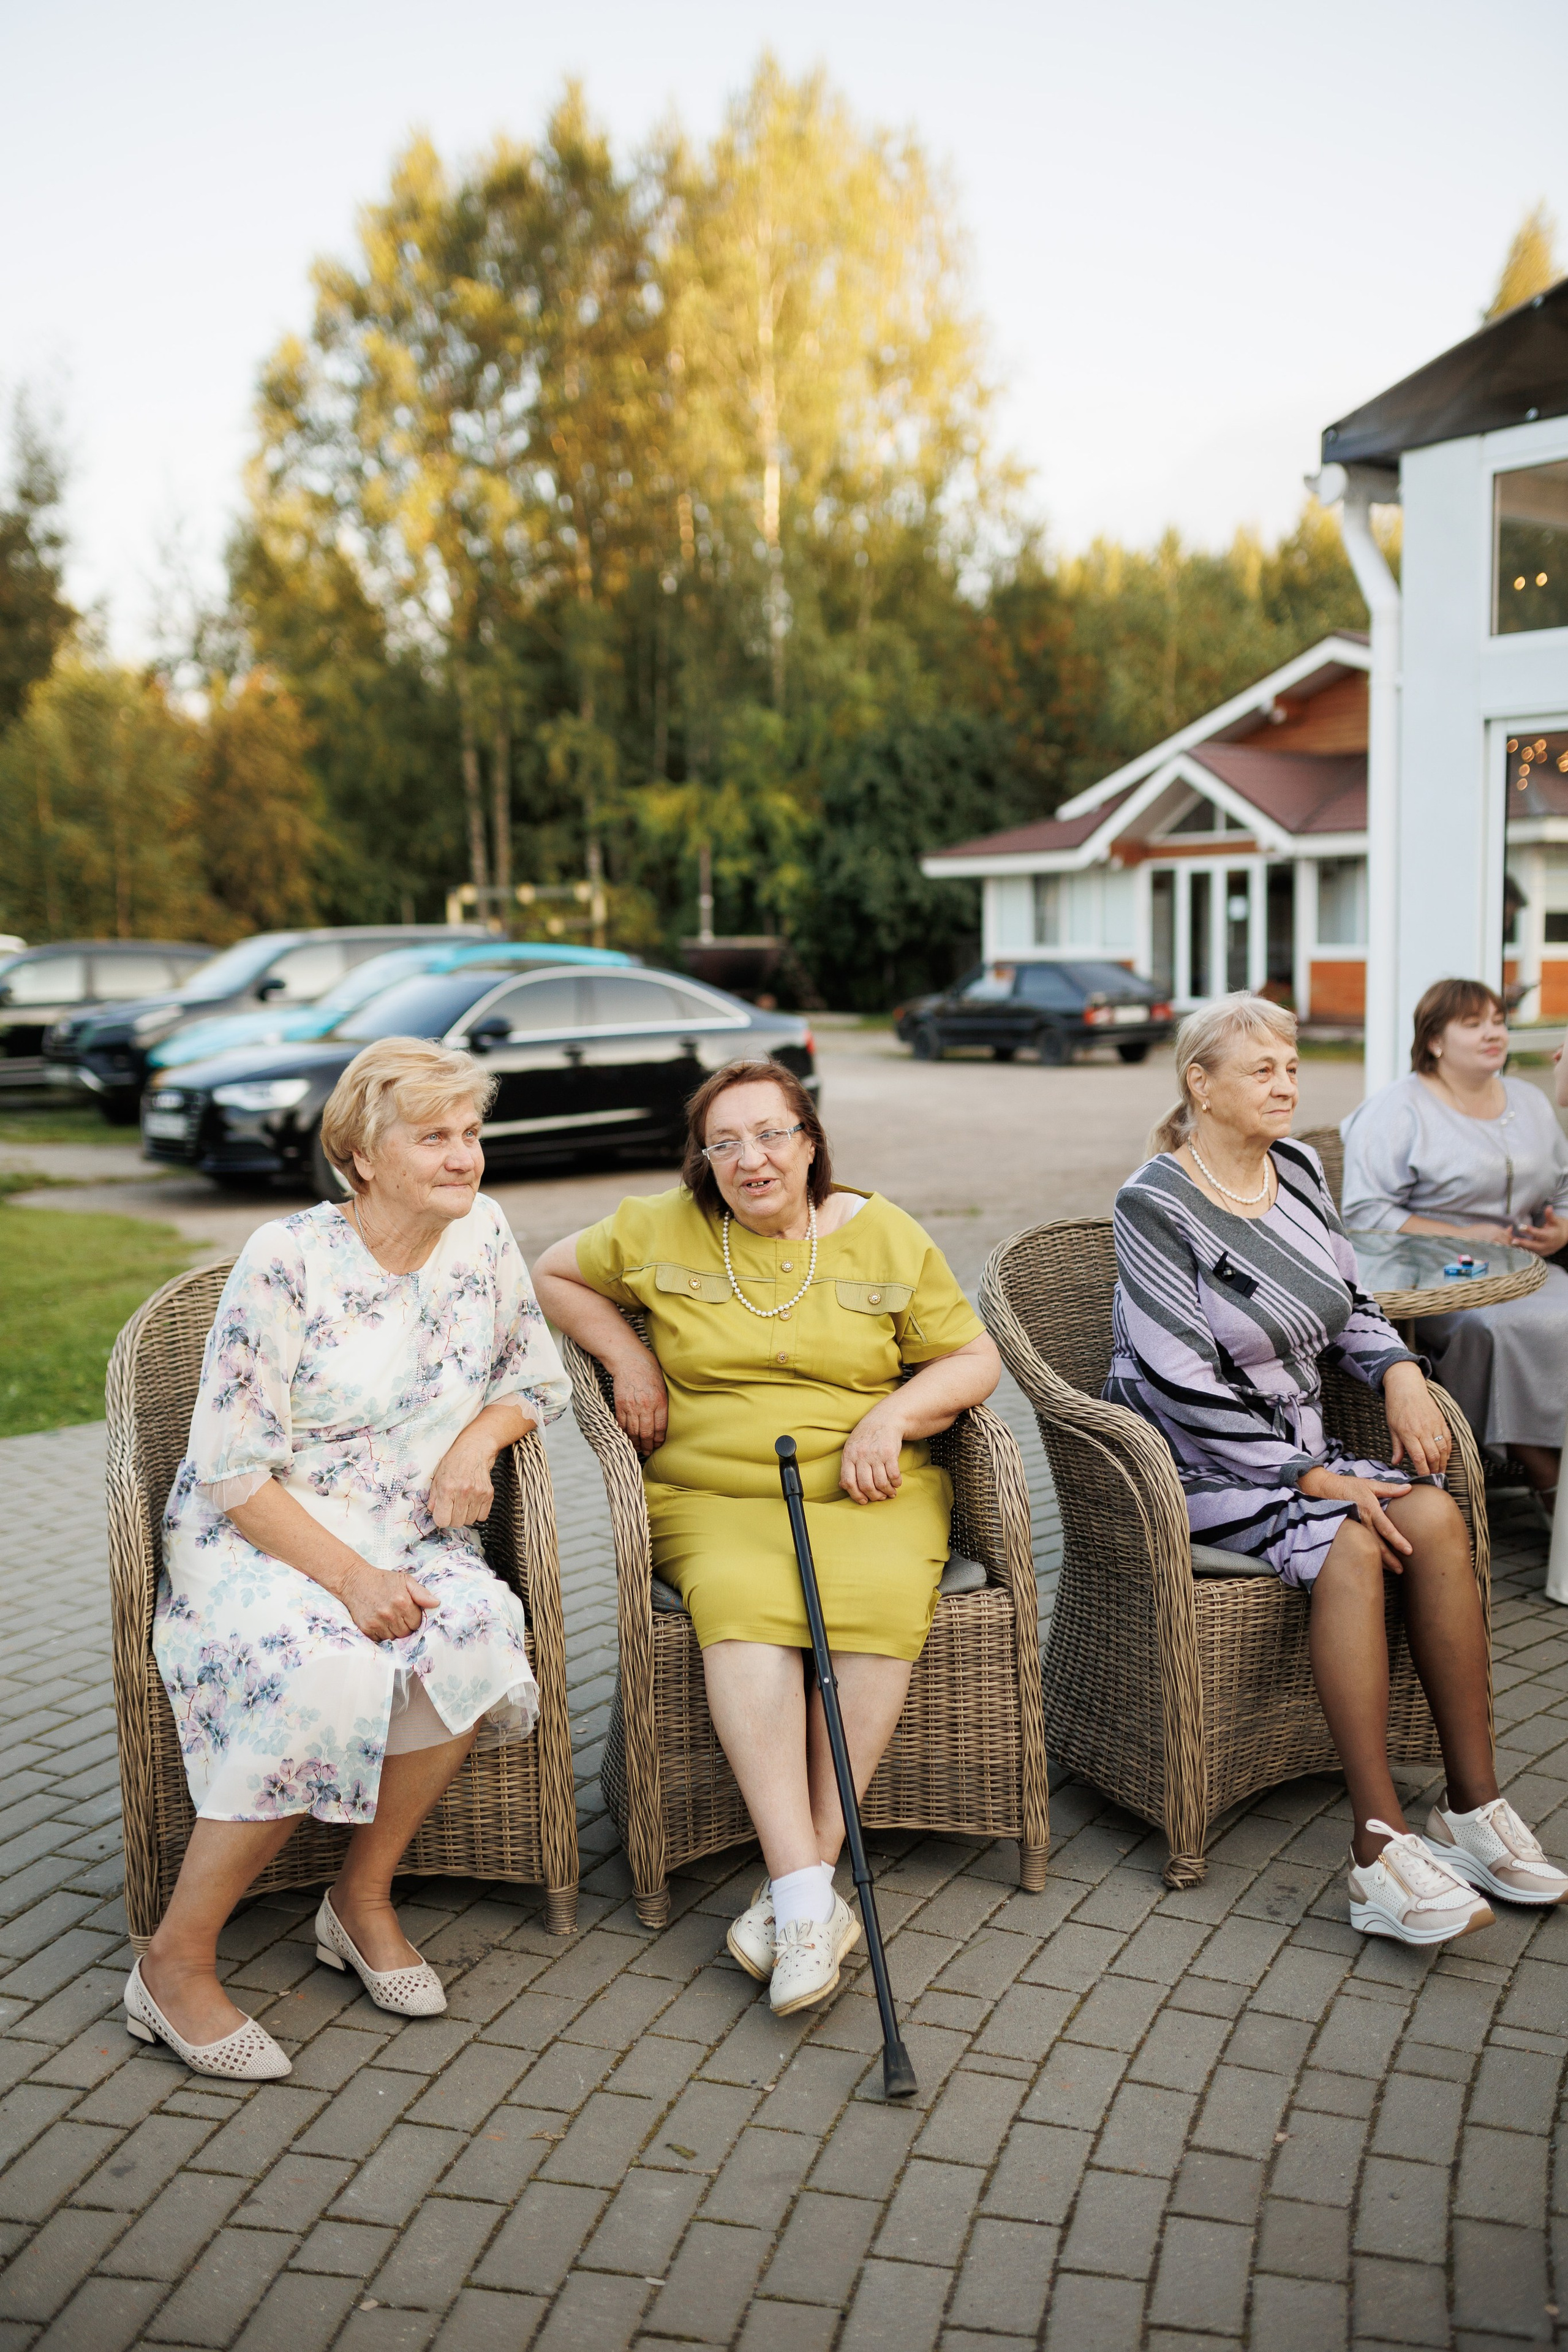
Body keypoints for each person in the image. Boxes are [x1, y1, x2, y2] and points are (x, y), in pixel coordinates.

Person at [128, 1038, 570, 2079]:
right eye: (435, 1138)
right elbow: (234, 1472)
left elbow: (531, 1376)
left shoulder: (484, 1234)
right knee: (327, 1667)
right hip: (265, 1537)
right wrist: (352, 1581)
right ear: (362, 1157)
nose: (466, 1158)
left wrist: (475, 1442)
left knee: (478, 1629)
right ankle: (174, 1964)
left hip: (405, 1529)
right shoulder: (285, 1260)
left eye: (471, 1134)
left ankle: (357, 1897)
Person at [533, 1058, 1001, 2015]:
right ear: (704, 1160)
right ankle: (812, 1899)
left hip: (870, 1485)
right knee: (745, 1607)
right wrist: (627, 1356)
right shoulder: (659, 1225)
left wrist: (893, 1419)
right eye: (726, 1143)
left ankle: (799, 1891)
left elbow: (972, 1355)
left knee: (874, 1601)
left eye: (773, 1134)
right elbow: (548, 1272)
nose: (752, 1160)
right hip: (713, 1493)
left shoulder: (884, 1234)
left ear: (811, 1140)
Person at [1106, 991, 1567, 1946]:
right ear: (1201, 1084)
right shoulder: (1153, 1201)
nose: (1286, 1086)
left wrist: (1399, 1371)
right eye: (1262, 1071)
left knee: (1437, 1518)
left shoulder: (1302, 1170)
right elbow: (1175, 1380)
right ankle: (1376, 1848)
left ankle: (1474, 1812)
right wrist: (1311, 1478)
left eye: (1291, 1069)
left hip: (1304, 1446)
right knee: (1353, 1543)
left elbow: (1353, 1301)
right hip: (1195, 1465)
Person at [1341, 978, 1568, 1512]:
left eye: (1498, 1021)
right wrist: (1461, 1236)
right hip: (1442, 1287)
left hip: (1528, 1272)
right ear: (1436, 1040)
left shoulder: (1533, 1102)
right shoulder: (1399, 1108)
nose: (1494, 1033)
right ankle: (1549, 1483)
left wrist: (1563, 1230)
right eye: (1474, 1024)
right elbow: (1365, 1212)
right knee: (1495, 1333)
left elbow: (1563, 1187)